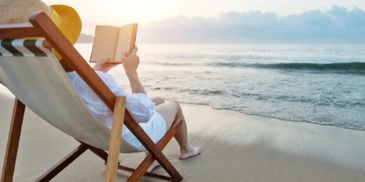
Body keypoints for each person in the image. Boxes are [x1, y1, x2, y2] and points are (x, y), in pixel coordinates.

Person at [1, 0, 200, 162]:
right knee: (172, 106)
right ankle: (186, 149)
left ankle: (153, 157)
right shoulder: (93, 81)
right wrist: (132, 72)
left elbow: (82, 92)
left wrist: (97, 72)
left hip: (88, 131)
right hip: (121, 137)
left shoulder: (35, 78)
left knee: (157, 99)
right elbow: (144, 112)